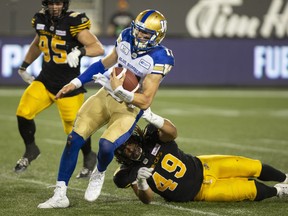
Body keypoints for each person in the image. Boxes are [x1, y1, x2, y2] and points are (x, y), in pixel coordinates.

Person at [37, 9, 174, 208]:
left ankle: (99, 172)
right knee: (72, 140)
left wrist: (121, 91)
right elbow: (104, 63)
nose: (139, 35)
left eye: (146, 33)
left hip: (130, 106)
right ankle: (60, 194)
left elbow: (145, 101)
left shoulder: (161, 57)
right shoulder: (126, 35)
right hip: (105, 95)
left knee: (106, 145)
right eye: (138, 30)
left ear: (157, 36)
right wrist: (75, 83)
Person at [113, 108, 288, 204]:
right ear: (121, 156)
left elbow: (172, 133)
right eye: (125, 151)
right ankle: (280, 191)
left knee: (252, 166)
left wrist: (152, 117)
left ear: (135, 139)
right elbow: (147, 199)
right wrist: (142, 183)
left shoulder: (151, 137)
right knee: (249, 190)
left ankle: (285, 178)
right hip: (200, 192)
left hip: (205, 165)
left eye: (130, 145)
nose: (130, 150)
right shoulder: (127, 173)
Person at [14, 0, 105, 179]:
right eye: (51, 3)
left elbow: (98, 48)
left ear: (64, 4)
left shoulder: (73, 22)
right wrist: (24, 66)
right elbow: (36, 44)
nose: (55, 7)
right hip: (45, 80)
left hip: (68, 86)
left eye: (59, 3)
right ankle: (31, 150)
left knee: (76, 130)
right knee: (23, 112)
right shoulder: (40, 19)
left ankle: (88, 157)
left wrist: (79, 52)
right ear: (45, 4)